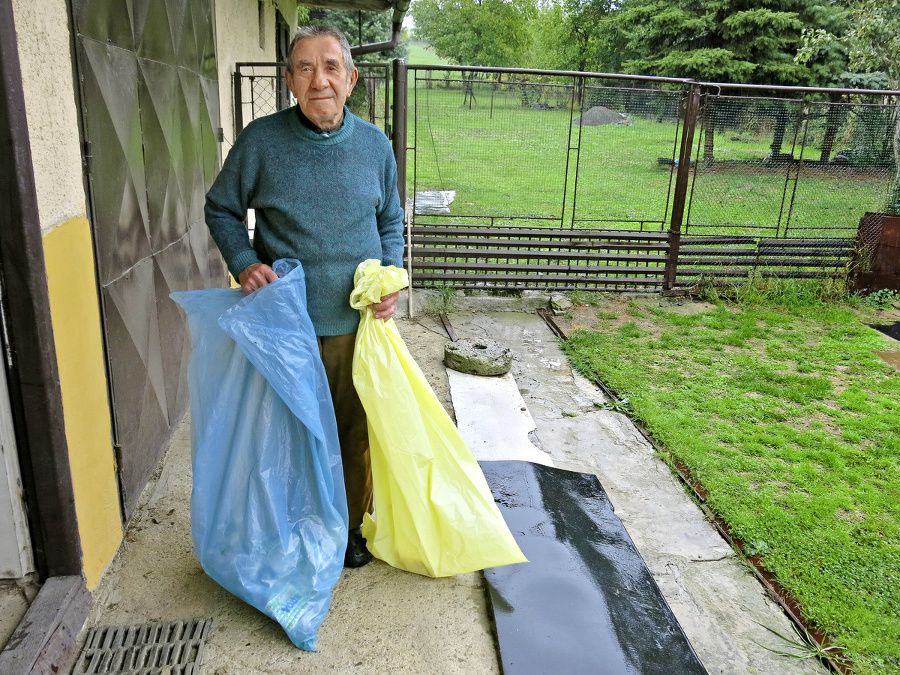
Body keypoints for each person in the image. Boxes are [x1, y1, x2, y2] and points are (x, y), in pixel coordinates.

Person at [204, 25, 405, 568]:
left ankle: (348, 529)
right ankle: (289, 525)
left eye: (331, 66)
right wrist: (244, 263)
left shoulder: (374, 146)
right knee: (285, 433)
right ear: (290, 79)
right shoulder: (262, 142)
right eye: (305, 68)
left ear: (352, 78)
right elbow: (220, 207)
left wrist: (392, 275)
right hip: (285, 322)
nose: (320, 80)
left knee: (352, 431)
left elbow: (390, 219)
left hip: (357, 322)